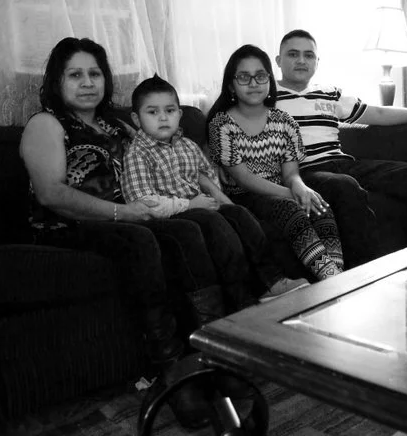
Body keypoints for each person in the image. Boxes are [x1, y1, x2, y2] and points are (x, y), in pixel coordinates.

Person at [19, 37, 255, 425]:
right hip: (69, 226)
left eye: (94, 73)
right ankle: (174, 373)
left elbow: (161, 156)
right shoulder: (46, 124)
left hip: (133, 215)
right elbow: (51, 193)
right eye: (74, 74)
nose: (87, 82)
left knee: (190, 230)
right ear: (56, 81)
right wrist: (122, 213)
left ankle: (215, 356)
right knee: (142, 240)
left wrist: (196, 193)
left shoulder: (119, 124)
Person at [121, 75, 309, 302]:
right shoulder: (137, 152)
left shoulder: (187, 145)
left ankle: (272, 280)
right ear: (136, 119)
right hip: (170, 217)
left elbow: (207, 177)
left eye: (170, 111)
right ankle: (241, 297)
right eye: (152, 112)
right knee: (216, 226)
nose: (163, 118)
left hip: (201, 206)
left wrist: (222, 201)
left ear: (179, 114)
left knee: (240, 215)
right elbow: (144, 203)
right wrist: (191, 204)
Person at [274, 29, 407, 266]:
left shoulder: (330, 93)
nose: (301, 60)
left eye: (308, 55)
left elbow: (376, 113)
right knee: (345, 186)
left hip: (344, 164)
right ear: (278, 61)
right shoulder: (267, 97)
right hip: (307, 172)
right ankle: (366, 276)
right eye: (293, 54)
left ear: (317, 62)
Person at [206, 44, 344, 281]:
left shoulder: (283, 121)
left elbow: (291, 174)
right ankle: (331, 279)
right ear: (231, 85)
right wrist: (291, 195)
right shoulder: (221, 124)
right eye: (243, 77)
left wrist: (301, 188)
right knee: (291, 208)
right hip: (245, 196)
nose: (253, 83)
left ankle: (336, 276)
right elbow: (244, 179)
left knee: (320, 205)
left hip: (279, 188)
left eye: (260, 76)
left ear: (270, 81)